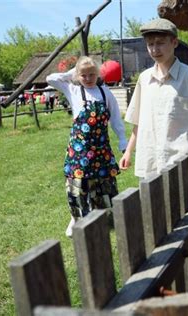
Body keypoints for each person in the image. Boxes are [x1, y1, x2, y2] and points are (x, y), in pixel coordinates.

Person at [119, 18, 188, 179]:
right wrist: (128, 152)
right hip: (150, 161)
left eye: (160, 43)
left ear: (174, 42)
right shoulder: (144, 79)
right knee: (153, 203)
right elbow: (138, 122)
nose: (155, 49)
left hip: (181, 162)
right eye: (150, 44)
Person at [46, 56, 128, 237]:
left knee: (104, 182)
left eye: (92, 74)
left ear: (98, 74)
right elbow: (50, 79)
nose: (88, 78)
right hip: (80, 149)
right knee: (77, 184)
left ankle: (106, 215)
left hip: (101, 148)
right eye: (83, 75)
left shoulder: (105, 92)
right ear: (78, 75)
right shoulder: (72, 90)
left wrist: (123, 140)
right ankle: (75, 217)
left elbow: (115, 118)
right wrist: (72, 73)